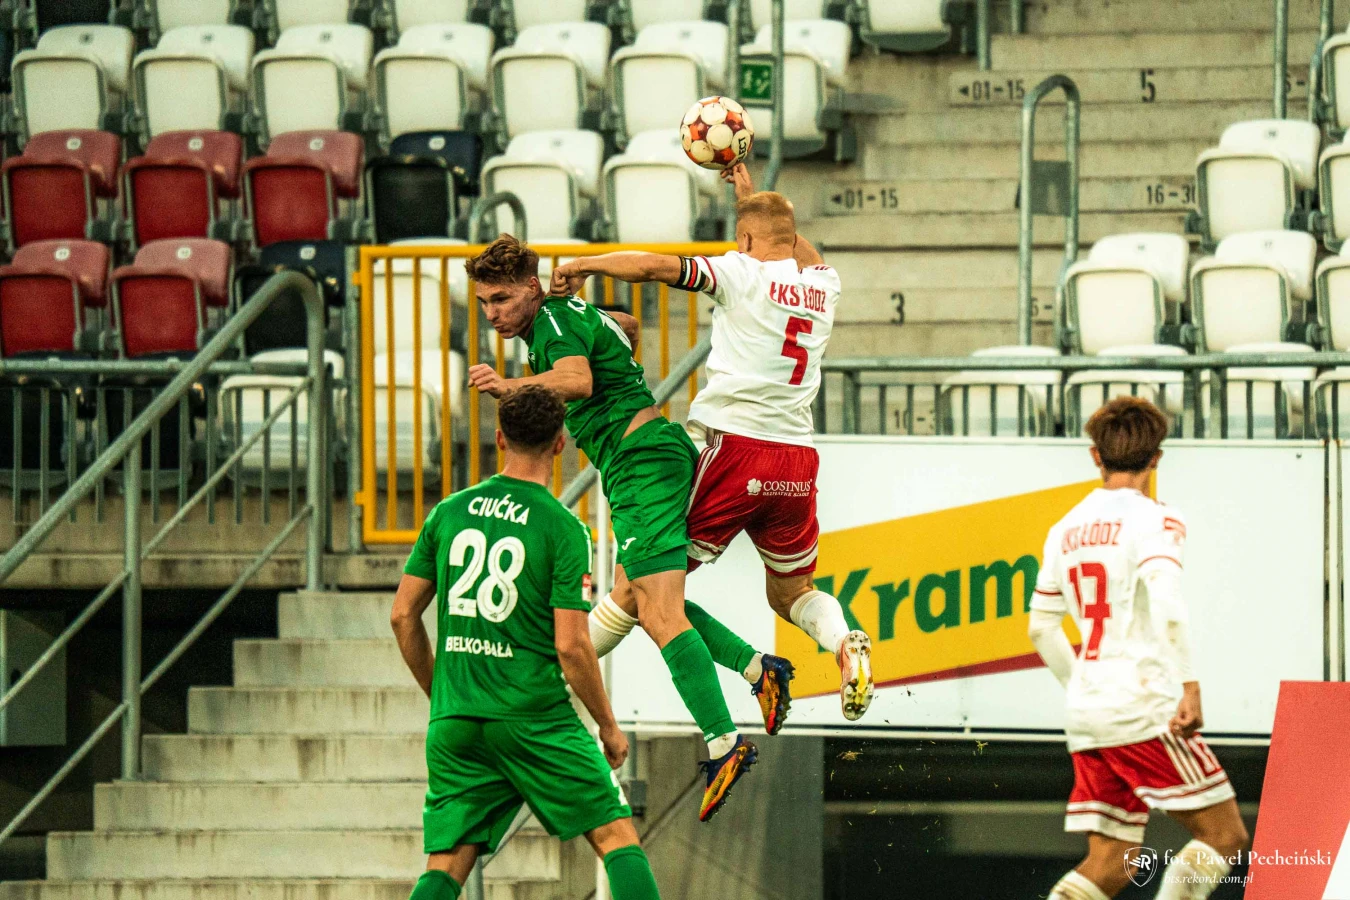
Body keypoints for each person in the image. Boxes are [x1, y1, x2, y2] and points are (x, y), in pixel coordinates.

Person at [464, 236, 783, 821]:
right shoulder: (568, 313)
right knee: (637, 598)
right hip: (648, 456)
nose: (492, 313)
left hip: (640, 466)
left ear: (531, 287)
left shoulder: (551, 326)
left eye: (501, 299)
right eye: (484, 302)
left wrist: (510, 386)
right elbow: (629, 327)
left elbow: (577, 380)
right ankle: (757, 668)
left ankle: (724, 742)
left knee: (660, 614)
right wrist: (598, 332)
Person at [549, 162, 874, 722]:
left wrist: (584, 264)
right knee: (792, 593)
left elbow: (653, 266)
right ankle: (844, 642)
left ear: (744, 241)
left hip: (734, 451)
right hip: (796, 460)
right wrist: (753, 200)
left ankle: (542, 677)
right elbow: (795, 246)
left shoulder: (738, 272)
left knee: (640, 586)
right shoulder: (825, 285)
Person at [390, 386, 661, 900]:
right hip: (533, 715)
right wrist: (608, 726)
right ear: (560, 443)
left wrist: (443, 694)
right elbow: (571, 646)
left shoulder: (448, 512)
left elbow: (403, 615)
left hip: (456, 719)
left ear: (499, 439)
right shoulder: (563, 529)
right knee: (614, 833)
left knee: (448, 860)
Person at [1029, 397, 1249, 900]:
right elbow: (1167, 601)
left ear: (1095, 456)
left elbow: (1041, 628)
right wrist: (1189, 686)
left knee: (1113, 861)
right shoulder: (1157, 519)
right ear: (1156, 458)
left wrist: (1086, 685)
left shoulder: (1063, 530)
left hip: (1088, 712)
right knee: (1225, 836)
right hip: (1143, 706)